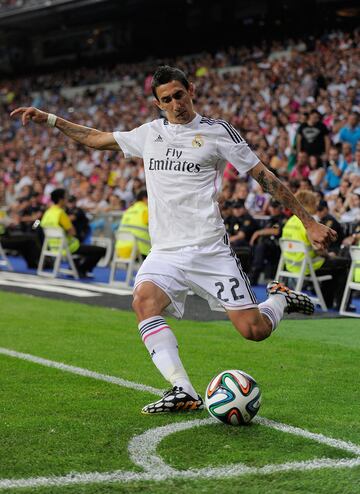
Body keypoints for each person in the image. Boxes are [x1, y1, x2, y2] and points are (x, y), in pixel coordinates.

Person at [11, 65, 337, 415]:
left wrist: (309, 222)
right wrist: (50, 119)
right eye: (166, 99)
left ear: (190, 90)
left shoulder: (218, 133)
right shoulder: (149, 134)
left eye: (179, 95)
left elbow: (265, 178)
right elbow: (95, 138)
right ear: (157, 103)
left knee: (253, 330)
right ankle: (183, 390)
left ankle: (280, 300)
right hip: (166, 251)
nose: (175, 104)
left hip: (210, 250)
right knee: (143, 302)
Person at [281, 190, 349, 309]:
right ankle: (340, 305)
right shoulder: (308, 223)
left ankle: (328, 301)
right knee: (343, 264)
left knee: (333, 266)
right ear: (309, 204)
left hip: (291, 265)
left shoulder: (290, 221)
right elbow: (318, 249)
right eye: (315, 202)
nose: (316, 206)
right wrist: (328, 255)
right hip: (308, 266)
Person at [40, 188, 106, 278]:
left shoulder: (47, 212)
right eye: (66, 197)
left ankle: (76, 267)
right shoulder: (60, 213)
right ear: (60, 199)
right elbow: (72, 232)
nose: (67, 200)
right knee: (101, 250)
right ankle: (82, 270)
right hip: (68, 247)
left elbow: (40, 225)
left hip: (52, 246)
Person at [248, 199, 287, 285]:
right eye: (272, 206)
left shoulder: (283, 218)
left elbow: (276, 231)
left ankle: (254, 276)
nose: (273, 209)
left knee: (260, 247)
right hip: (269, 246)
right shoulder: (271, 219)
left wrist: (258, 233)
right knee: (255, 247)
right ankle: (251, 274)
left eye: (275, 207)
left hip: (279, 247)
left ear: (280, 208)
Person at [115, 189, 150, 260]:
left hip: (120, 248)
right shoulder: (145, 210)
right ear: (145, 198)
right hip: (140, 250)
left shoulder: (128, 210)